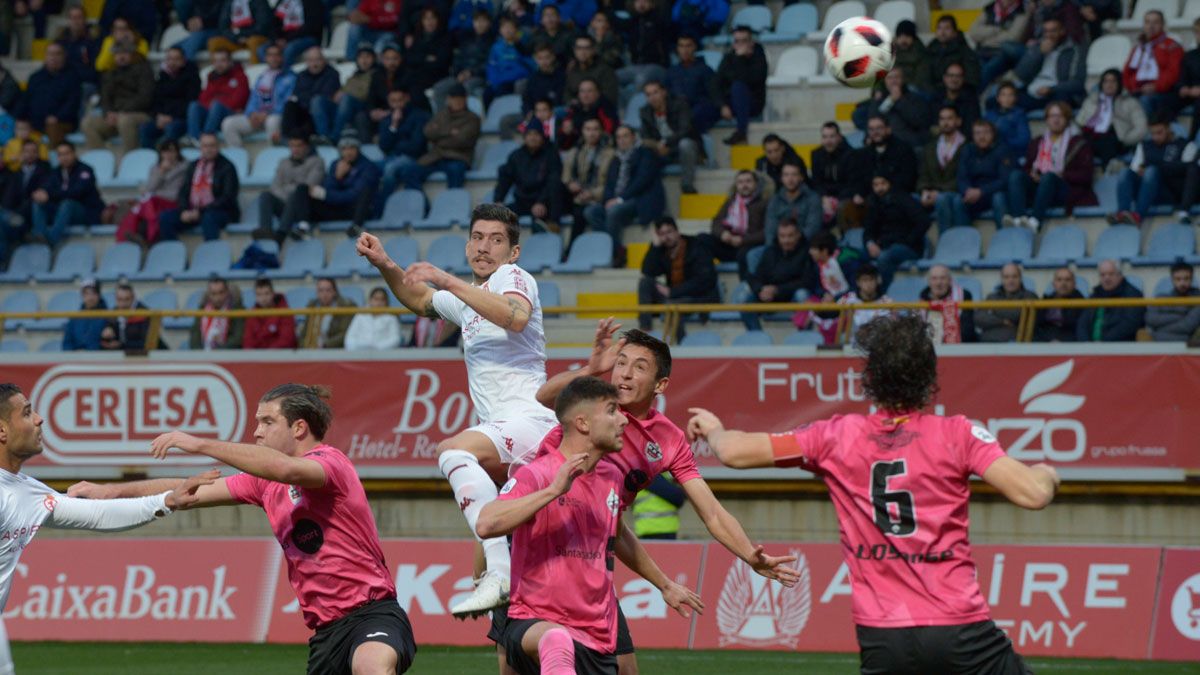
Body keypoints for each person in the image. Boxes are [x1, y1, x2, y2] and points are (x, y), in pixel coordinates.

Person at [686, 313, 1058, 675]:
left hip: (882, 635)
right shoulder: (957, 434)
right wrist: (1047, 474)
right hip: (960, 628)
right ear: (928, 375)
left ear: (871, 377)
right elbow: (1033, 494)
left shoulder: (835, 436)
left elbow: (733, 452)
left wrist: (715, 430)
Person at [69, 384, 417, 674]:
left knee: (370, 668)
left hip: (374, 613)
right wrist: (111, 491)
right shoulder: (262, 484)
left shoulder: (331, 464)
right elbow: (186, 491)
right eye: (257, 422)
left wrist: (201, 444)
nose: (256, 432)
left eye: (267, 421)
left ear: (298, 428)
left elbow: (287, 469)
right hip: (325, 634)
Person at [533, 323, 801, 674]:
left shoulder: (669, 441)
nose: (625, 375)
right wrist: (591, 369)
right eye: (621, 363)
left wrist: (750, 555)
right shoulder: (593, 404)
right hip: (536, 544)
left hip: (590, 554)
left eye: (639, 367)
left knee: (625, 668)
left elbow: (712, 513)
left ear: (661, 385)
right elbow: (543, 397)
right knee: (521, 662)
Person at [356, 204, 558, 617]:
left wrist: (446, 279)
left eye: (496, 240)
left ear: (513, 252)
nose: (485, 247)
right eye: (478, 237)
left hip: (531, 421)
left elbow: (515, 318)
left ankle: (498, 572)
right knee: (512, 632)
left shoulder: (513, 278)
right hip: (507, 436)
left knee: (453, 451)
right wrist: (385, 263)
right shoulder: (466, 301)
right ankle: (498, 576)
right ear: (467, 244)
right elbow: (419, 298)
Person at [480, 376, 703, 675]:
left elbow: (619, 534)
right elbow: (487, 522)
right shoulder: (539, 474)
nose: (623, 420)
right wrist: (552, 492)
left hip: (597, 636)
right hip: (535, 622)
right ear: (583, 423)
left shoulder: (612, 477)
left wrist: (665, 584)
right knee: (556, 640)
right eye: (612, 410)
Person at [0, 384, 214, 675]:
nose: (39, 419)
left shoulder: (27, 491)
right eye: (26, 413)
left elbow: (98, 514)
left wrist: (167, 500)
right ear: (2, 431)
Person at [1003, 101, 1094, 232]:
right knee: (1016, 176)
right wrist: (1032, 174)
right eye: (1052, 116)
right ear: (1046, 119)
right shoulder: (1037, 142)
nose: (1056, 120)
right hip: (1039, 187)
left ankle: (1035, 221)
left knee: (1049, 177)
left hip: (1064, 188)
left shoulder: (1078, 143)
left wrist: (1062, 175)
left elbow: (1086, 175)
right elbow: (1028, 167)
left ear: (1067, 119)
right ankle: (1019, 218)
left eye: (1060, 116)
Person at [585, 125, 665, 267]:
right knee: (591, 212)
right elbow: (609, 184)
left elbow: (642, 181)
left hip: (640, 199)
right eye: (619, 137)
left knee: (614, 211)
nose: (622, 140)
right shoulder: (616, 158)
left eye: (625, 136)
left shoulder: (645, 153)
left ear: (633, 137)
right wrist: (608, 200)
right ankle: (617, 249)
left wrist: (620, 199)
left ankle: (613, 254)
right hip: (617, 200)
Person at [280, 134, 380, 241]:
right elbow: (328, 187)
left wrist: (325, 195)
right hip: (335, 207)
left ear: (358, 149)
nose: (348, 152)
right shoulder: (335, 164)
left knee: (366, 191)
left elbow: (354, 195)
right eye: (344, 149)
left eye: (352, 148)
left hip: (355, 210)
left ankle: (357, 226)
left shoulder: (368, 167)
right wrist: (337, 177)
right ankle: (303, 227)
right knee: (302, 189)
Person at [637, 216, 719, 339]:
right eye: (662, 234)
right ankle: (645, 329)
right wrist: (655, 247)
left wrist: (673, 292)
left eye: (669, 232)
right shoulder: (662, 249)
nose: (666, 237)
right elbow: (648, 272)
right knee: (645, 283)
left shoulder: (697, 246)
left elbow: (705, 280)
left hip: (697, 297)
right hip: (674, 296)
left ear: (677, 231)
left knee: (672, 307)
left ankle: (681, 345)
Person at [1112, 114, 1196, 226]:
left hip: (1170, 192)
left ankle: (1138, 215)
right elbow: (1135, 169)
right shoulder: (1144, 146)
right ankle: (1122, 213)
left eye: (1159, 132)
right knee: (1125, 172)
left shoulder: (1186, 145)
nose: (1155, 137)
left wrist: (1157, 169)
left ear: (1168, 128)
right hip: (1146, 190)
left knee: (1152, 171)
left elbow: (1189, 171)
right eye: (1152, 133)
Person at [735, 218, 816, 332]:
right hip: (769, 296)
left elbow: (807, 281)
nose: (786, 240)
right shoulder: (770, 251)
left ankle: (803, 336)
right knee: (744, 299)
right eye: (782, 236)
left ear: (798, 235)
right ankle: (758, 339)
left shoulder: (808, 252)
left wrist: (778, 289)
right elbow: (754, 277)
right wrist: (761, 289)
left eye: (790, 236)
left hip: (792, 295)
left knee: (802, 295)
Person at [843, 115, 919, 233]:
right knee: (846, 207)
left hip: (897, 196)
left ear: (888, 129)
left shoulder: (903, 149)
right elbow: (858, 180)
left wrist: (884, 190)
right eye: (871, 129)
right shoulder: (863, 154)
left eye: (879, 128)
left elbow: (908, 179)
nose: (875, 132)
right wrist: (858, 194)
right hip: (870, 197)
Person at [159, 133, 240, 241]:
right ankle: (175, 254)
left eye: (212, 145)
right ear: (200, 148)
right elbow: (184, 191)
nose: (209, 149)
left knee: (209, 218)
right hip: (194, 210)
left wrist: (201, 211)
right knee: (165, 218)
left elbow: (228, 198)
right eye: (205, 146)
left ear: (218, 146)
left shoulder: (227, 167)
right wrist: (184, 210)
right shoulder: (193, 165)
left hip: (221, 211)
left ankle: (211, 254)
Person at [400, 84, 481, 191]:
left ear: (465, 99)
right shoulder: (441, 114)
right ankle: (422, 205)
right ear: (448, 99)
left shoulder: (472, 118)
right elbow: (427, 132)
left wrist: (438, 136)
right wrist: (449, 132)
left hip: (458, 157)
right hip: (436, 156)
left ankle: (452, 204)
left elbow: (462, 140)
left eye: (459, 99)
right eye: (453, 99)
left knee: (455, 172)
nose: (457, 102)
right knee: (410, 172)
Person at [82, 42, 154, 155]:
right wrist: (108, 113)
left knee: (125, 121)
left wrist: (121, 112)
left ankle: (130, 159)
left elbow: (145, 98)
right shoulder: (110, 73)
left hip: (141, 113)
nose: (121, 56)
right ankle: (102, 160)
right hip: (116, 115)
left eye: (124, 53)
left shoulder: (144, 70)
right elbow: (105, 98)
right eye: (117, 53)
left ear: (132, 54)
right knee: (88, 123)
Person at [29, 141, 104, 247]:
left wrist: (50, 195)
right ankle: (40, 236)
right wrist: (41, 193)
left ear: (74, 153)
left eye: (67, 153)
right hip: (62, 212)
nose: (64, 157)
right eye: (60, 155)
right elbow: (47, 187)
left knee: (68, 203)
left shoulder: (85, 170)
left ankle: (51, 240)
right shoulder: (55, 172)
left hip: (84, 212)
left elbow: (76, 193)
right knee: (38, 203)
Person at [116, 139, 188, 247]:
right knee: (142, 204)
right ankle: (136, 235)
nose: (168, 155)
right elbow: (149, 188)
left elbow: (175, 193)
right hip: (154, 204)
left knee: (145, 203)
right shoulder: (155, 168)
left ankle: (142, 236)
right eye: (165, 151)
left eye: (172, 151)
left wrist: (156, 194)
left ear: (177, 152)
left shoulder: (184, 168)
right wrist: (161, 172)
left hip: (171, 203)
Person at [220, 43, 295, 147]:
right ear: (266, 58)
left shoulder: (290, 77)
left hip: (275, 116)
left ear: (282, 57)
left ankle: (273, 157)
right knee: (228, 123)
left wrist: (268, 114)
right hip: (257, 118)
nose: (273, 58)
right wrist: (251, 114)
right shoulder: (262, 77)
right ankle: (240, 158)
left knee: (272, 121)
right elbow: (253, 99)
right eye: (270, 55)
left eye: (276, 55)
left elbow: (288, 102)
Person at [863, 172, 929, 291]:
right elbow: (868, 230)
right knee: (855, 257)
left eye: (883, 183)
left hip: (908, 248)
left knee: (885, 257)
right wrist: (870, 244)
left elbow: (923, 222)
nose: (879, 188)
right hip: (883, 245)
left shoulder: (904, 199)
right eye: (876, 185)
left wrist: (908, 241)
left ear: (890, 184)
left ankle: (883, 295)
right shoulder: (873, 203)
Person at [943, 119, 1012, 232]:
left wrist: (981, 191)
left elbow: (1005, 180)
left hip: (992, 192)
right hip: (973, 194)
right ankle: (965, 243)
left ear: (993, 134)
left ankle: (1005, 238)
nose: (982, 137)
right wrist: (967, 191)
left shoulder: (1002, 150)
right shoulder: (967, 150)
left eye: (986, 132)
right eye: (978, 133)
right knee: (958, 201)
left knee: (998, 198)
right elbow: (961, 177)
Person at [253, 135, 325, 240]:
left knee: (296, 195)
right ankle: (265, 230)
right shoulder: (284, 162)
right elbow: (274, 187)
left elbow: (308, 187)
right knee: (265, 195)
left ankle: (281, 234)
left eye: (299, 146)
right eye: (292, 146)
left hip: (304, 208)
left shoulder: (317, 162)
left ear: (307, 147)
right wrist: (291, 190)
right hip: (285, 205)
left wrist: (287, 187)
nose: (295, 149)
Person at [495, 126, 564, 231]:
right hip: (522, 201)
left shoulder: (551, 155)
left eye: (536, 134)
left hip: (544, 202)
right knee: (499, 217)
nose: (533, 138)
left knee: (539, 221)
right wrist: (499, 199)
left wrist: (541, 201)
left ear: (542, 137)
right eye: (529, 134)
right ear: (524, 137)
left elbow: (553, 181)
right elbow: (505, 178)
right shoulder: (516, 156)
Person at [701, 170, 766, 279]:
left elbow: (767, 232)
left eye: (748, 181)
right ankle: (706, 279)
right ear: (736, 185)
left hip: (749, 245)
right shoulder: (731, 202)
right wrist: (723, 234)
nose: (744, 185)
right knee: (702, 239)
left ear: (755, 184)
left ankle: (745, 289)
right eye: (740, 182)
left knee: (745, 254)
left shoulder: (765, 203)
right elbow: (716, 223)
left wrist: (743, 240)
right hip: (729, 243)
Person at [1077, 68, 1148, 168]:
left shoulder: (1130, 102)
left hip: (1117, 139)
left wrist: (1125, 140)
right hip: (1091, 136)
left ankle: (1108, 173)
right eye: (1106, 81)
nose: (1109, 84)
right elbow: (1079, 122)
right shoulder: (1091, 100)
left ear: (1119, 83)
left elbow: (1142, 128)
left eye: (1113, 81)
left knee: (1107, 141)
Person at [639, 80, 700, 195]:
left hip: (681, 146)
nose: (652, 97)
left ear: (664, 93)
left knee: (685, 144)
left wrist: (665, 143)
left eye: (655, 92)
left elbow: (685, 130)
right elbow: (645, 138)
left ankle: (687, 184)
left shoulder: (680, 104)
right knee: (645, 154)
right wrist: (657, 146)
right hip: (662, 150)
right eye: (648, 95)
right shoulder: (644, 112)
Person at [1011, 17, 1086, 109]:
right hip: (1033, 91)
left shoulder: (1074, 51)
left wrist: (1052, 89)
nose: (1049, 35)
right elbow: (1021, 74)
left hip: (1057, 92)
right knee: (1004, 99)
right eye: (1046, 31)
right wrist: (1039, 53)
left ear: (1062, 31)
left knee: (1063, 98)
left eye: (1053, 31)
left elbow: (1078, 83)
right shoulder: (1036, 47)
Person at [375, 86, 432, 207]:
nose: (397, 105)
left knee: (390, 169)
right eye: (393, 101)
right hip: (392, 156)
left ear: (407, 99)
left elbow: (417, 145)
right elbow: (384, 146)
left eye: (399, 100)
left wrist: (395, 144)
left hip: (413, 158)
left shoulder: (420, 116)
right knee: (369, 168)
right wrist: (394, 126)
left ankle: (381, 207)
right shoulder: (387, 120)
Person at [562, 118, 614, 248]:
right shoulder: (575, 152)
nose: (592, 133)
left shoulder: (610, 154)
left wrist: (591, 194)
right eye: (588, 129)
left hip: (597, 198)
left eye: (595, 129)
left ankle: (570, 251)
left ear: (601, 132)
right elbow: (566, 176)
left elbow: (610, 184)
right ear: (583, 132)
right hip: (576, 196)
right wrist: (570, 184)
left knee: (581, 213)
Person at [1122, 10, 1183, 117]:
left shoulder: (1172, 46)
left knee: (1144, 100)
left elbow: (1173, 73)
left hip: (1163, 92)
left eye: (1155, 22)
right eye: (1147, 22)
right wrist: (1133, 87)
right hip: (1138, 90)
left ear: (1163, 25)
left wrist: (1156, 86)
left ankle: (1148, 132)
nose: (1151, 26)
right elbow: (1127, 72)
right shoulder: (1138, 47)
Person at [19, 43, 82, 145]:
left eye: (58, 54)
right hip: (36, 121)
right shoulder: (35, 77)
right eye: (50, 54)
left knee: (52, 126)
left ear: (64, 56)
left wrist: (58, 117)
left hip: (61, 122)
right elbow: (26, 101)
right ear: (45, 56)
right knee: (19, 126)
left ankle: (54, 157)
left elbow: (73, 103)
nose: (54, 57)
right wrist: (22, 119)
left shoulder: (73, 77)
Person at [140, 46, 201, 149]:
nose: (172, 62)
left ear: (183, 61)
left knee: (171, 128)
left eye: (176, 59)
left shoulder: (192, 77)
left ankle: (169, 159)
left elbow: (190, 103)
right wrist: (158, 116)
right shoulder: (162, 77)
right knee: (145, 129)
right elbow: (155, 101)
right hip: (162, 118)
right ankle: (151, 160)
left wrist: (171, 117)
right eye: (169, 59)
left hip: (181, 119)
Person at [855, 67, 930, 149]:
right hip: (884, 144)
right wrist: (890, 101)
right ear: (885, 81)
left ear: (903, 79)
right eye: (889, 78)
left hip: (909, 144)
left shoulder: (915, 98)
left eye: (897, 77)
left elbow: (918, 122)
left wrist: (900, 101)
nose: (893, 81)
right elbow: (872, 121)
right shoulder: (878, 100)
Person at [184, 49, 249, 145]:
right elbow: (203, 98)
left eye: (223, 60)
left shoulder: (240, 76)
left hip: (230, 113)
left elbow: (238, 101)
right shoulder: (212, 76)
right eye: (216, 61)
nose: (219, 64)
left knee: (217, 105)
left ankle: (207, 138)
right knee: (194, 106)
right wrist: (214, 103)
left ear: (230, 62)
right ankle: (195, 140)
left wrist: (216, 102)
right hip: (212, 113)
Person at [313, 46, 376, 144]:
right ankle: (323, 136)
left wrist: (345, 94)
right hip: (344, 107)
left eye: (367, 57)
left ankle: (335, 137)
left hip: (360, 106)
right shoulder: (354, 76)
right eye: (361, 57)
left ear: (373, 59)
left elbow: (366, 94)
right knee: (318, 100)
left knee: (346, 99)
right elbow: (341, 92)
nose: (364, 60)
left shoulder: (376, 75)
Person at [716, 26, 767, 146]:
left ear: (751, 42)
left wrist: (740, 59)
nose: (740, 45)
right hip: (730, 103)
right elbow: (717, 81)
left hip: (753, 103)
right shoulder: (729, 57)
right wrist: (721, 105)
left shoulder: (759, 56)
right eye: (737, 41)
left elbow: (750, 80)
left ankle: (741, 132)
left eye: (744, 41)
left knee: (738, 87)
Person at [919, 106, 968, 233]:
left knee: (942, 199)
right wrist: (925, 191)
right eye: (942, 119)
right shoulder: (929, 147)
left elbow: (965, 177)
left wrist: (938, 192)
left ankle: (946, 243)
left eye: (950, 118)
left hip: (956, 192)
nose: (945, 122)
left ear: (958, 121)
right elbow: (923, 174)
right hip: (934, 192)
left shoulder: (968, 146)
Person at [433, 9, 493, 107]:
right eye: (477, 21)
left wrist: (471, 73)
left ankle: (467, 119)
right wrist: (458, 73)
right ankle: (444, 118)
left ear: (489, 23)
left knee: (466, 88)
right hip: (460, 75)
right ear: (473, 22)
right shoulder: (466, 40)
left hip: (479, 77)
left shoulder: (492, 42)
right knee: (439, 88)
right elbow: (458, 59)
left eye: (483, 21)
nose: (480, 24)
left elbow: (489, 64)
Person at [282, 47, 341, 142]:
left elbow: (326, 95)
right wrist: (307, 98)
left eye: (317, 60)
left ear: (324, 61)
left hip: (324, 113)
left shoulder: (332, 74)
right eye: (311, 60)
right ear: (306, 62)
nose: (314, 64)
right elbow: (297, 95)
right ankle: (286, 138)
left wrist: (307, 97)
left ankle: (324, 137)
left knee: (317, 102)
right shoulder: (301, 75)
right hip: (306, 110)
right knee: (290, 104)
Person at [1077, 260, 1145, 342]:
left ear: (1120, 275)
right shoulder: (1095, 294)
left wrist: (1103, 343)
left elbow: (1130, 324)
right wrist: (1086, 344)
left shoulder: (1133, 295)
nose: (1107, 278)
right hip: (1091, 349)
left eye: (1111, 274)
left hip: (1120, 347)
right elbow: (1082, 324)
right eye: (1103, 275)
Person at [665, 34, 719, 135]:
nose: (685, 50)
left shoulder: (706, 70)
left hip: (699, 112)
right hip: (678, 111)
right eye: (681, 46)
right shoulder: (671, 72)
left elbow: (713, 94)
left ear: (694, 47)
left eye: (688, 46)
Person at [971, 0, 1030, 86]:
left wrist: (985, 39)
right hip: (983, 50)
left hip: (1003, 52)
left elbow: (1013, 38)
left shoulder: (1022, 11)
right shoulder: (990, 8)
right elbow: (973, 32)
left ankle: (974, 96)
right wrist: (995, 30)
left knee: (987, 70)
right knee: (970, 68)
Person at [619, 0, 671, 94]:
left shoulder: (659, 20)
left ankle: (638, 107)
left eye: (645, 1)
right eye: (638, 1)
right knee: (614, 77)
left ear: (652, 3)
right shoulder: (633, 22)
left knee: (641, 78)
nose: (641, 4)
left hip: (657, 66)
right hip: (636, 66)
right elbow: (615, 23)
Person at [976, 263, 1037, 342]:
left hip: (1015, 345)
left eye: (1014, 276)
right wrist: (1002, 321)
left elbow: (1017, 315)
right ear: (1002, 279)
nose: (1010, 280)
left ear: (1020, 278)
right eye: (1006, 277)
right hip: (986, 343)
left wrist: (994, 310)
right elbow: (978, 318)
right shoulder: (992, 296)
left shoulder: (1030, 296)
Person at [765, 160, 822, 244]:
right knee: (753, 254)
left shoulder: (812, 198)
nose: (790, 179)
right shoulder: (775, 200)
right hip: (779, 245)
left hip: (804, 245)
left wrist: (793, 242)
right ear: (782, 178)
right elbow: (770, 229)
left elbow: (813, 228)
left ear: (801, 177)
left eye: (794, 175)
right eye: (786, 175)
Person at [837, 263, 893, 345]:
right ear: (858, 282)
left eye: (871, 280)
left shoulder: (887, 302)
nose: (868, 284)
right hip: (852, 348)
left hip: (878, 347)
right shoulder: (848, 300)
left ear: (877, 281)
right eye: (864, 280)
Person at [921, 264, 977, 343]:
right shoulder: (922, 299)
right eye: (934, 278)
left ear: (950, 280)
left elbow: (967, 329)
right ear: (929, 282)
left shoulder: (964, 296)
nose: (938, 283)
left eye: (943, 278)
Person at [810, 122, 852, 227]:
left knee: (842, 207)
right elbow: (816, 181)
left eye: (832, 136)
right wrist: (824, 198)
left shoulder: (851, 154)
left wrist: (835, 201)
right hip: (824, 196)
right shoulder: (816, 154)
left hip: (843, 196)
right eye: (824, 137)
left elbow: (851, 183)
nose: (828, 141)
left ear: (839, 137)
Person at [558, 78, 619, 150]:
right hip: (575, 149)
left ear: (597, 93)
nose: (585, 95)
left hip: (600, 149)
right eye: (582, 91)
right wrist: (566, 133)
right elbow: (562, 141)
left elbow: (610, 132)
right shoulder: (574, 109)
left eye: (589, 91)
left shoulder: (606, 108)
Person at [1146, 262, 1200, 341]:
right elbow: (1150, 320)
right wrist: (1181, 316)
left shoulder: (1197, 299)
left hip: (1187, 346)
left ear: (1192, 279)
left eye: (1186, 278)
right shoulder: (1161, 298)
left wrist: (1158, 331)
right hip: (1161, 345)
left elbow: (1187, 327)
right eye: (1178, 279)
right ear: (1172, 279)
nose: (1182, 283)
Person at [260, 0, 325, 66]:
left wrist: (287, 40)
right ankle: (270, 74)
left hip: (307, 37)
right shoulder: (282, 2)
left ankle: (285, 74)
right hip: (284, 39)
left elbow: (312, 27)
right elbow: (273, 24)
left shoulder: (313, 2)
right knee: (262, 49)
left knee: (290, 49)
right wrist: (277, 39)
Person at [487, 15, 534, 105]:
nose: (507, 30)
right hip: (499, 80)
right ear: (500, 30)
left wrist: (519, 47)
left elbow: (529, 66)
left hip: (515, 80)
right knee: (487, 93)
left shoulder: (523, 46)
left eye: (510, 27)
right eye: (504, 27)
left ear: (516, 30)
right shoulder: (496, 47)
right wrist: (494, 81)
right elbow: (491, 66)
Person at [206, 0, 273, 62]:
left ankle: (253, 71)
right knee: (214, 43)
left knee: (253, 41)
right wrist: (236, 37)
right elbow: (223, 27)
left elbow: (263, 26)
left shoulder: (259, 1)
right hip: (236, 39)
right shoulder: (230, 2)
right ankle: (220, 72)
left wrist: (244, 35)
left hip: (255, 37)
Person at [300, 277, 357, 349]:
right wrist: (304, 345)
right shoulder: (312, 307)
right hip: (311, 350)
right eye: (321, 290)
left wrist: (325, 345)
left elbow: (345, 333)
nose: (324, 294)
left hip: (335, 351)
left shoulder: (345, 307)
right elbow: (304, 333)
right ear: (317, 293)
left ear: (334, 292)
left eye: (328, 290)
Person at [927, 15, 981, 91]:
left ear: (955, 32)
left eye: (947, 28)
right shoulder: (930, 49)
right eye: (939, 28)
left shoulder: (964, 51)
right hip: (933, 92)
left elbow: (971, 79)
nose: (942, 32)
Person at [190, 276, 245, 350]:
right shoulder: (202, 309)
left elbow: (238, 338)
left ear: (227, 292)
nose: (218, 298)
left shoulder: (237, 309)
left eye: (221, 293)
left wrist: (219, 350)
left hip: (229, 355)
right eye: (214, 294)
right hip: (204, 355)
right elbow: (195, 335)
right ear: (209, 294)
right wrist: (200, 353)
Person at [565, 34, 619, 108]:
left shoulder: (605, 70)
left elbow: (610, 97)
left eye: (586, 48)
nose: (582, 52)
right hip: (576, 110)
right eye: (579, 48)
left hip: (599, 111)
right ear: (574, 51)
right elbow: (567, 94)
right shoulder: (572, 70)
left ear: (593, 50)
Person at [243, 278, 297, 350]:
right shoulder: (251, 315)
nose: (263, 298)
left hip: (281, 357)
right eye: (259, 294)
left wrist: (267, 352)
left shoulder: (285, 312)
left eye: (267, 293)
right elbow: (248, 341)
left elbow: (287, 340)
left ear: (273, 294)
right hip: (257, 357)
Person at [1033, 267, 1084, 342]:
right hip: (1045, 344)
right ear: (1053, 284)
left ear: (1074, 284)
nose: (1063, 283)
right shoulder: (1044, 301)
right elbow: (1037, 328)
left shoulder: (1082, 303)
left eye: (1067, 280)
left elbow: (1079, 330)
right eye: (1059, 280)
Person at [984, 82, 1031, 162]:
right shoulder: (990, 115)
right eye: (1003, 95)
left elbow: (1024, 139)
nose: (1007, 98)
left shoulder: (1019, 115)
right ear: (998, 98)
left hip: (1011, 155)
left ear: (1015, 98)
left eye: (1010, 95)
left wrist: (1003, 142)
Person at [345, 287, 403, 351]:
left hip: (384, 355)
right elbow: (349, 339)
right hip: (359, 354)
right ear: (370, 300)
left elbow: (395, 339)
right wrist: (362, 347)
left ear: (386, 302)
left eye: (382, 300)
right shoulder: (360, 316)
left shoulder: (391, 318)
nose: (379, 303)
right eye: (376, 299)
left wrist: (377, 348)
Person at [521, 45, 567, 118]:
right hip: (535, 114)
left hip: (553, 114)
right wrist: (528, 111)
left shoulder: (561, 76)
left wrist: (543, 112)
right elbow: (526, 100)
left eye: (547, 57)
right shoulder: (533, 78)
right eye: (540, 58)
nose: (544, 61)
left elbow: (560, 101)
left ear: (553, 57)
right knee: (507, 121)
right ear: (535, 59)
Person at [62, 278, 108, 351]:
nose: (90, 297)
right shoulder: (74, 319)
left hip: (97, 359)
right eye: (86, 293)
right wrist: (73, 354)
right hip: (75, 359)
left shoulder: (108, 317)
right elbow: (67, 343)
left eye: (94, 293)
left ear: (99, 295)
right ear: (82, 295)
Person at [106, 282, 155, 351]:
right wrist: (107, 335)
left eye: (127, 299)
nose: (123, 304)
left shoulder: (144, 313)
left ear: (133, 298)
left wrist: (121, 345)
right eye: (119, 299)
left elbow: (146, 343)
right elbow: (108, 336)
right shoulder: (114, 312)